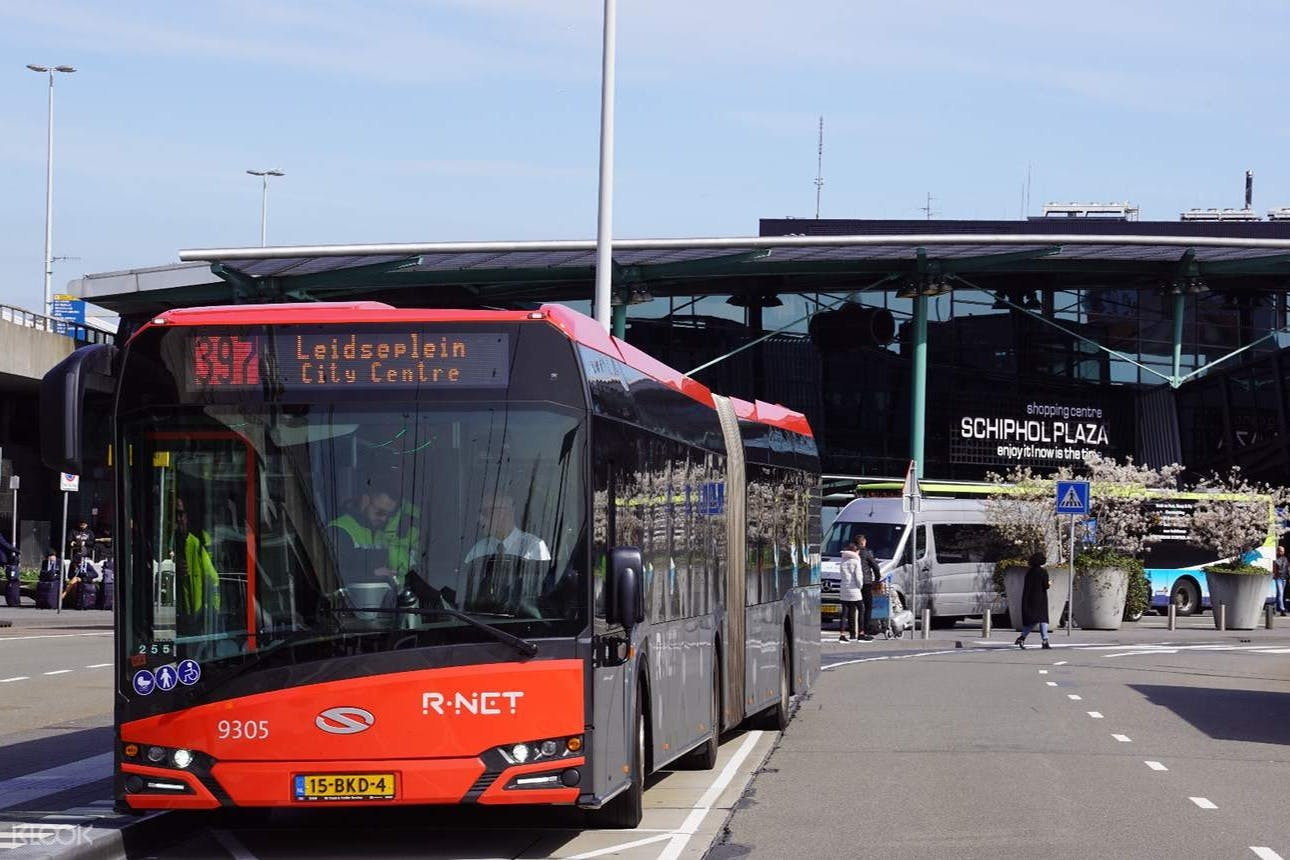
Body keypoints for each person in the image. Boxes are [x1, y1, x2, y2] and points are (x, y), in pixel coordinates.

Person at [463, 492, 551, 609]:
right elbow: (466, 589)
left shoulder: (535, 546)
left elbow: (541, 592)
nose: (480, 519)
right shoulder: (478, 550)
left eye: (485, 513)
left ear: (504, 514)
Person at [175, 497, 221, 638]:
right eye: (174, 515)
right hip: (174, 615)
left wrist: (213, 611)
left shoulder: (196, 544)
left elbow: (213, 579)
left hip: (195, 615)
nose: (177, 519)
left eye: (180, 514)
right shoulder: (165, 543)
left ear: (187, 517)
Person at [1015, 552, 1051, 649]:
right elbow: (1046, 585)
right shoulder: (1043, 572)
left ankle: (1022, 637)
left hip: (1029, 598)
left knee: (1032, 621)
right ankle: (1045, 640)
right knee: (1043, 619)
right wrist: (1050, 583)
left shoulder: (1029, 573)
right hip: (1041, 599)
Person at [837, 542, 865, 642]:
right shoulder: (856, 561)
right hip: (854, 590)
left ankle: (842, 634)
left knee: (845, 613)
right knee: (861, 609)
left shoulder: (843, 560)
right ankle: (861, 633)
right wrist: (860, 586)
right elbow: (858, 577)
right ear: (855, 551)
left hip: (844, 589)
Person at [856, 535, 881, 639]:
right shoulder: (866, 553)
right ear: (863, 542)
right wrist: (877, 578)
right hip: (866, 583)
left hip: (855, 584)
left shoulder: (853, 553)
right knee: (868, 607)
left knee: (857, 607)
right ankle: (865, 630)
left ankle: (856, 631)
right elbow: (875, 566)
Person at [1274, 544, 1288, 617]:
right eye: (1281, 551)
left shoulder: (1285, 559)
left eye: (1283, 551)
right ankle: (1282, 609)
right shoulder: (1275, 559)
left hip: (1284, 578)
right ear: (1278, 551)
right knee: (1281, 594)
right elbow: (1274, 569)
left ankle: (1274, 608)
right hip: (1278, 578)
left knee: (1279, 594)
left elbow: (1287, 568)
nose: (1282, 552)